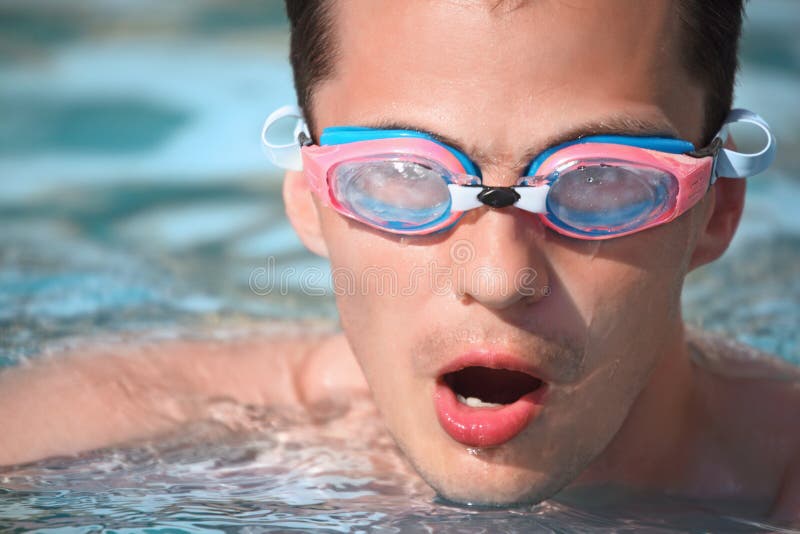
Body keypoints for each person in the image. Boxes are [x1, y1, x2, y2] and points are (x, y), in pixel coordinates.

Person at [1, 0, 798, 523]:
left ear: (717, 209)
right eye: (405, 176)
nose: (497, 279)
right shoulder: (113, 431)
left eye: (599, 180)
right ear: (310, 196)